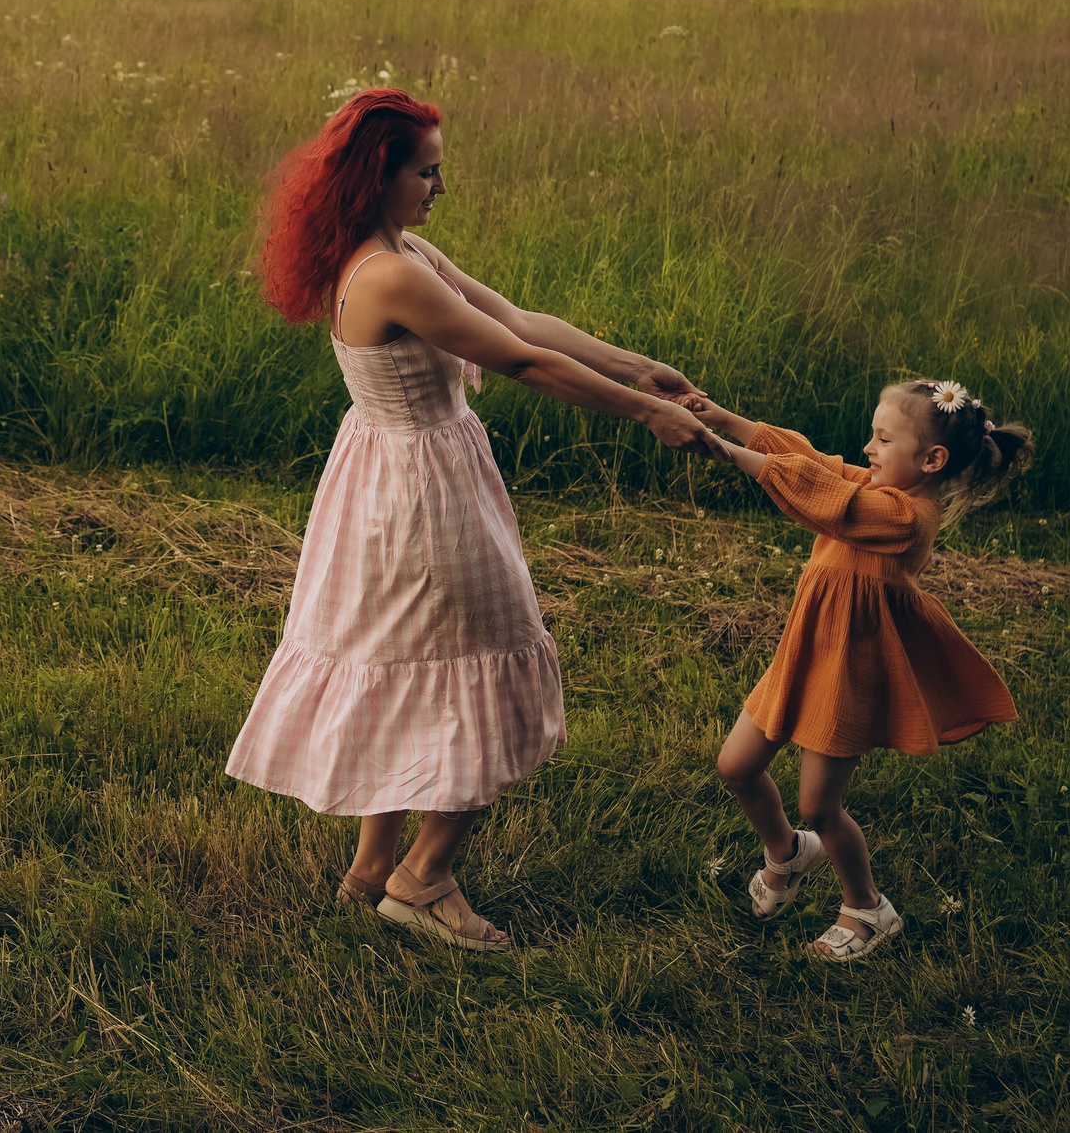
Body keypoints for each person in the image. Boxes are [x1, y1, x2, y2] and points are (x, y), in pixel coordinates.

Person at [226, 89, 719, 951]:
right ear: (379, 175)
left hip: (390, 481)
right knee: (490, 670)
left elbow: (520, 318)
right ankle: (422, 878)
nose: (439, 186)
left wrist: (644, 370)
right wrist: (647, 418)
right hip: (422, 498)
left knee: (405, 663)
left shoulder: (398, 251)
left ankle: (371, 870)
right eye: (427, 170)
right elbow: (521, 358)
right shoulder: (389, 276)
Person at [692, 377, 1033, 960]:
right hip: (804, 655)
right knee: (736, 766)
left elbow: (824, 497)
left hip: (849, 674)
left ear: (932, 459)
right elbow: (808, 462)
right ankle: (787, 851)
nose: (867, 450)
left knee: (819, 807)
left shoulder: (906, 518)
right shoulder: (873, 484)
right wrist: (722, 418)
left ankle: (868, 908)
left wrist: (725, 452)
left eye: (882, 439)